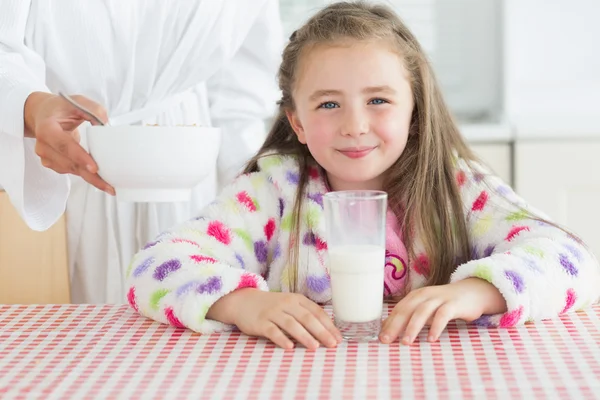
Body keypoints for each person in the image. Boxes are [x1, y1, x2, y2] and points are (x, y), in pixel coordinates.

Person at [125, 1, 600, 349]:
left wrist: (475, 294)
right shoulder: (273, 191)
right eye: (328, 104)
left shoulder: (456, 187)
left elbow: (574, 262)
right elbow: (153, 268)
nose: (354, 125)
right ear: (297, 122)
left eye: (378, 100)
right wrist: (243, 303)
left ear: (414, 109)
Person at [0, 1, 283, 303]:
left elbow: (240, 86)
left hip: (190, 167)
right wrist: (29, 105)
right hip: (64, 159)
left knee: (186, 317)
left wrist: (256, 201)